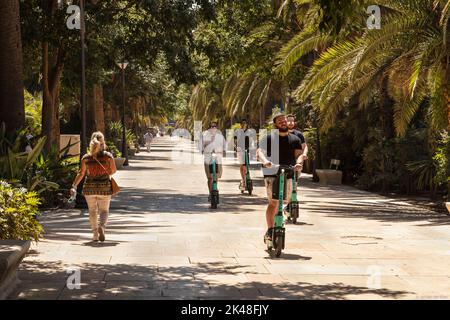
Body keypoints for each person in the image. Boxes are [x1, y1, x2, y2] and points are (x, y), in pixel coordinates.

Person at [256, 113, 303, 243]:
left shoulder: (295, 139)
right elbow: (260, 152)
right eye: (280, 121)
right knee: (274, 202)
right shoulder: (269, 138)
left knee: (285, 200)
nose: (283, 122)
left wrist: (299, 162)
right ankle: (270, 230)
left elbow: (298, 155)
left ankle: (278, 220)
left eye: (285, 120)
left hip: (288, 173)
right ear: (275, 124)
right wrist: (265, 161)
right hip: (271, 173)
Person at [70, 132, 117, 242]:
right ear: (103, 142)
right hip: (104, 188)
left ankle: (95, 234)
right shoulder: (108, 156)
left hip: (89, 189)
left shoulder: (86, 158)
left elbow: (81, 173)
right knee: (104, 211)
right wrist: (105, 172)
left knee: (92, 211)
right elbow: (113, 171)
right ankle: (102, 227)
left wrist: (74, 186)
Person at [201, 121, 227, 200]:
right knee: (209, 178)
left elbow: (224, 145)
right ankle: (210, 192)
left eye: (215, 126)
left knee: (216, 176)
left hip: (217, 158)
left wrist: (224, 151)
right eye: (211, 127)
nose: (213, 128)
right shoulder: (204, 135)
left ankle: (214, 189)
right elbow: (201, 146)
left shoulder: (220, 136)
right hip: (208, 158)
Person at [234, 119, 251, 191]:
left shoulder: (249, 132)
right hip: (240, 150)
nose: (244, 124)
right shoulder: (237, 131)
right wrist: (236, 147)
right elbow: (235, 141)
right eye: (243, 123)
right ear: (241, 124)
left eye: (245, 123)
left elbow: (252, 141)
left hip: (247, 150)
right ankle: (243, 180)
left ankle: (246, 178)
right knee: (242, 165)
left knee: (246, 165)